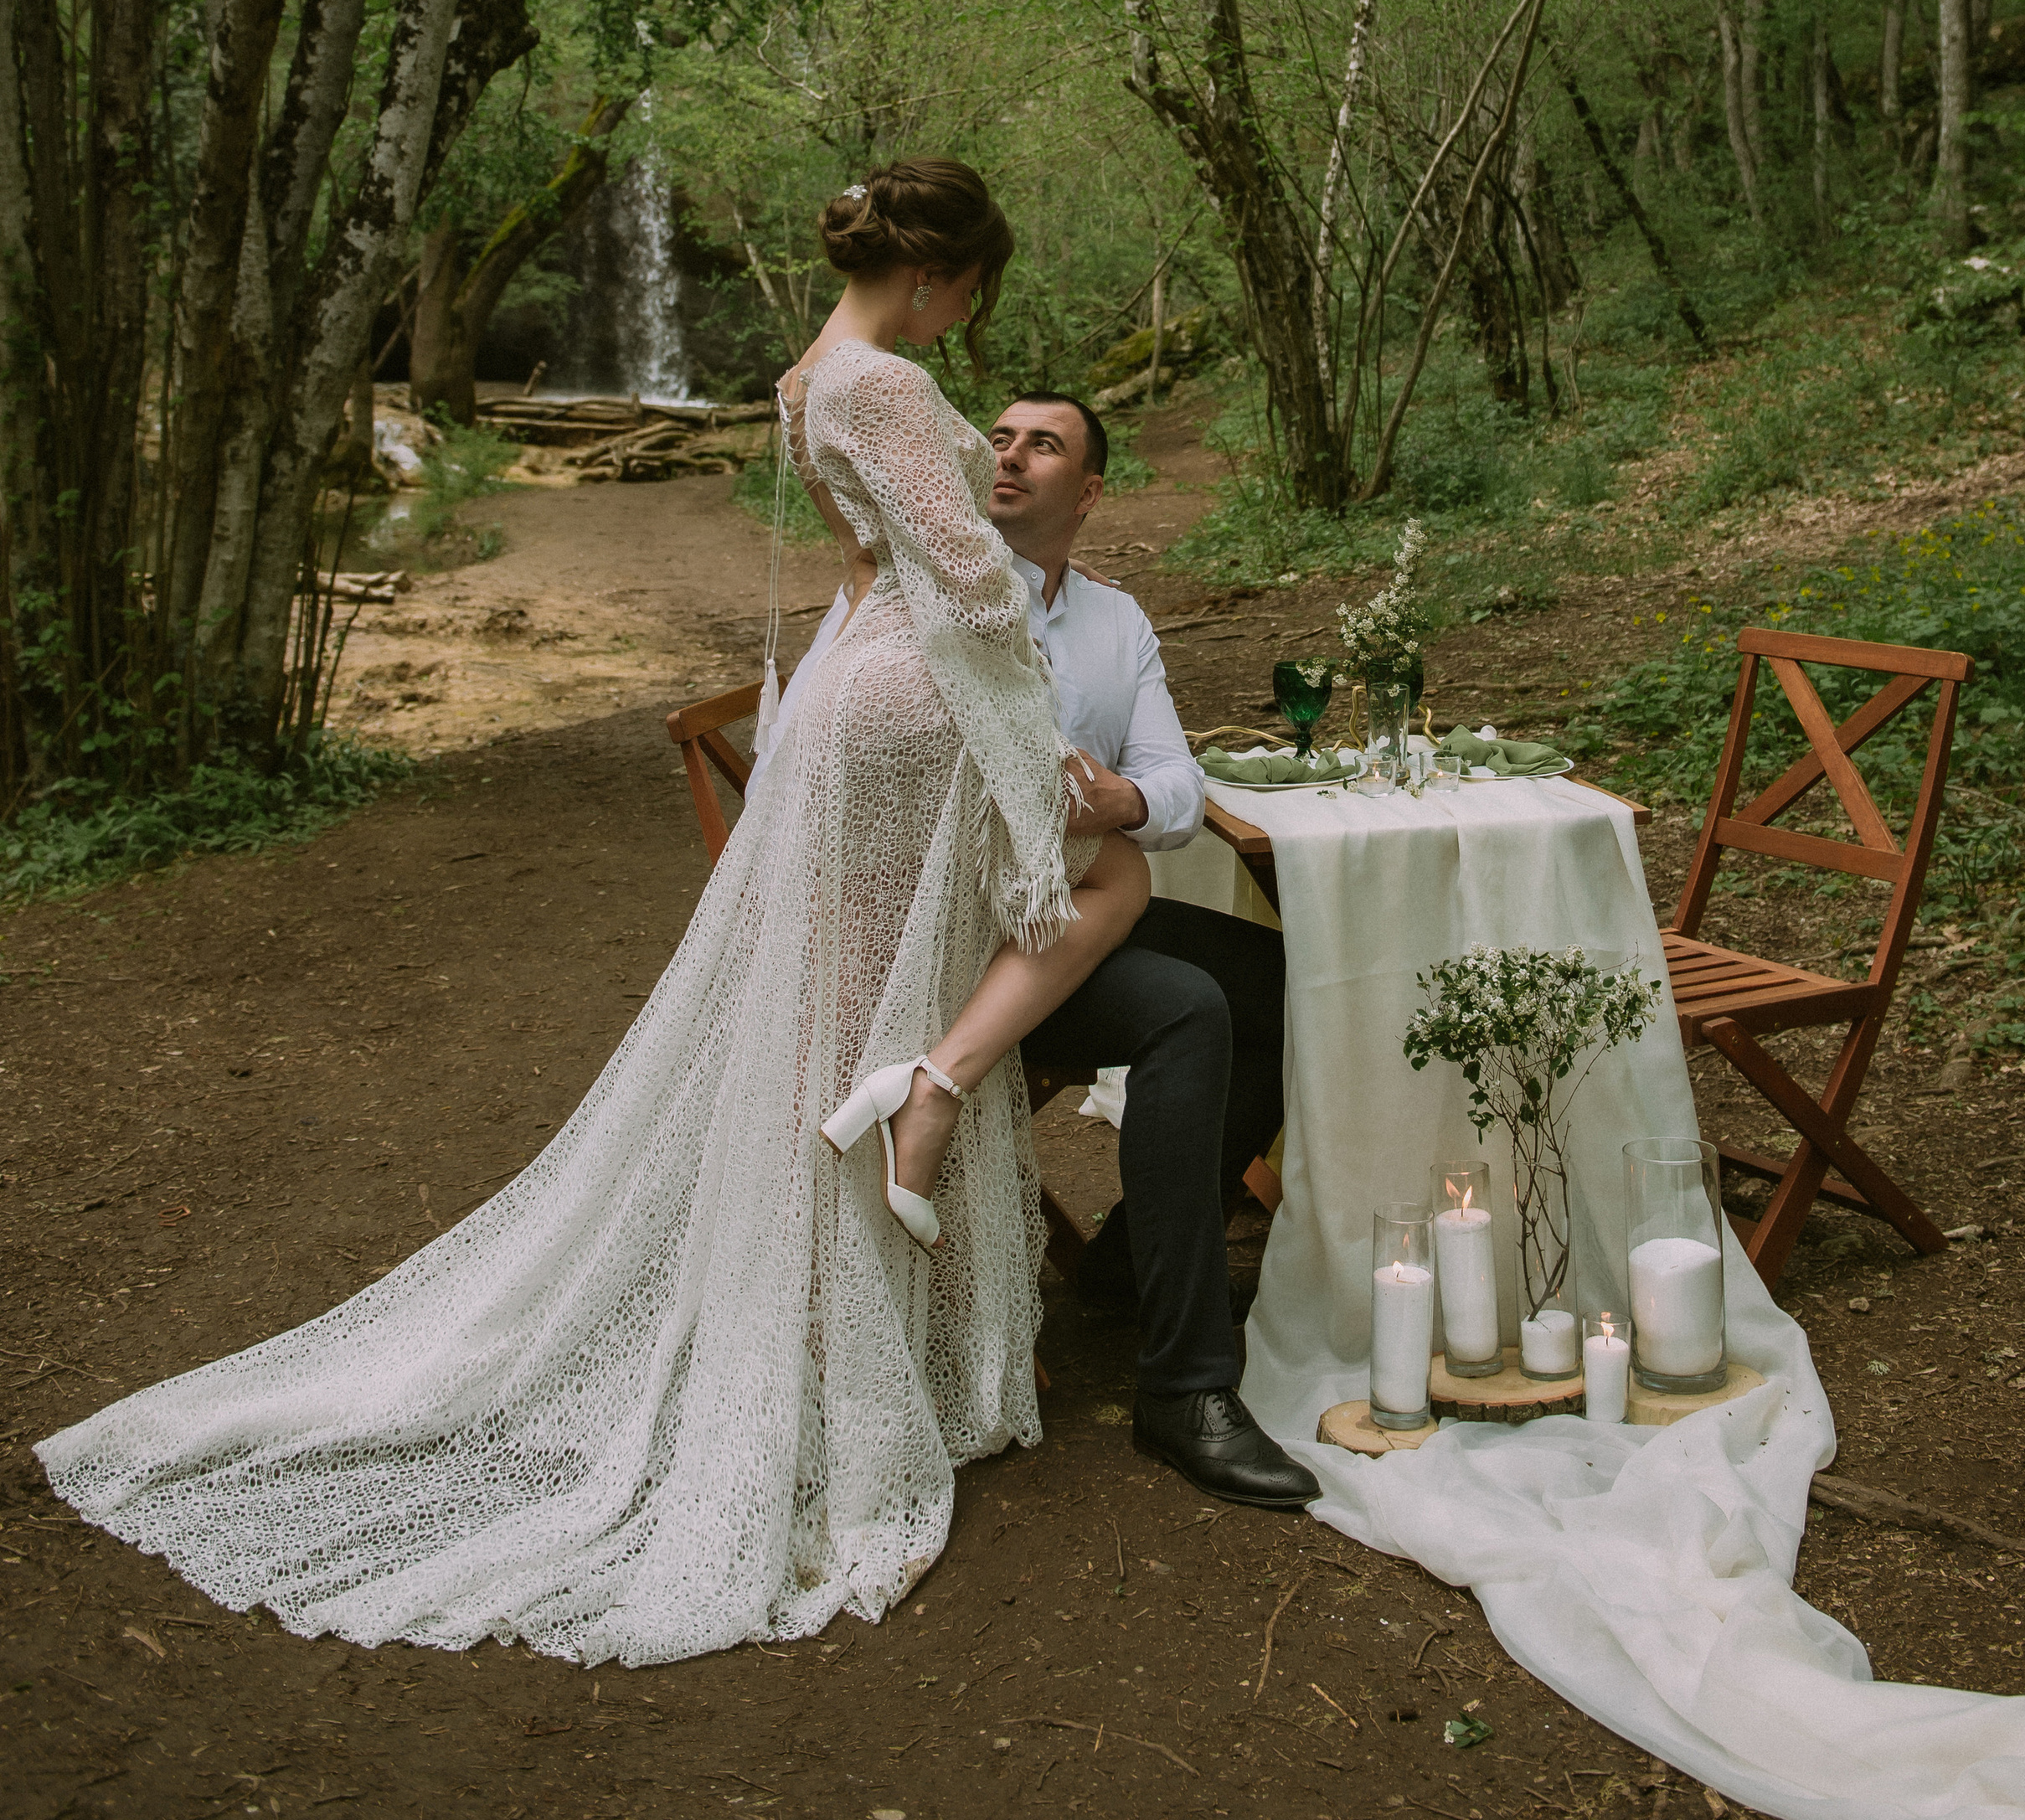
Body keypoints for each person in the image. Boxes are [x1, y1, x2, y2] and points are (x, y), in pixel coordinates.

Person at [36, 162, 1156, 1663]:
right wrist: (1037, 752)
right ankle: (890, 1218)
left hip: (853, 698)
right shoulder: (888, 381)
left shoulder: (804, 376)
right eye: (974, 293)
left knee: (839, 1000)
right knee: (1042, 912)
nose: (969, 321)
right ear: (943, 275)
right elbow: (967, 579)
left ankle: (855, 1301)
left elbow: (854, 560)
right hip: (918, 696)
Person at [986, 394, 1316, 1511]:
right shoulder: (938, 601)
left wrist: (1127, 794)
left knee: (1277, 982)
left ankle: (1130, 1262)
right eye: (998, 435)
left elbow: (1181, 785)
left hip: (1087, 900)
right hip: (981, 944)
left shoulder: (1117, 622)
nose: (1008, 453)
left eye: (1042, 442)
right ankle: (1186, 1384)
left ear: (1085, 493)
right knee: (1187, 1007)